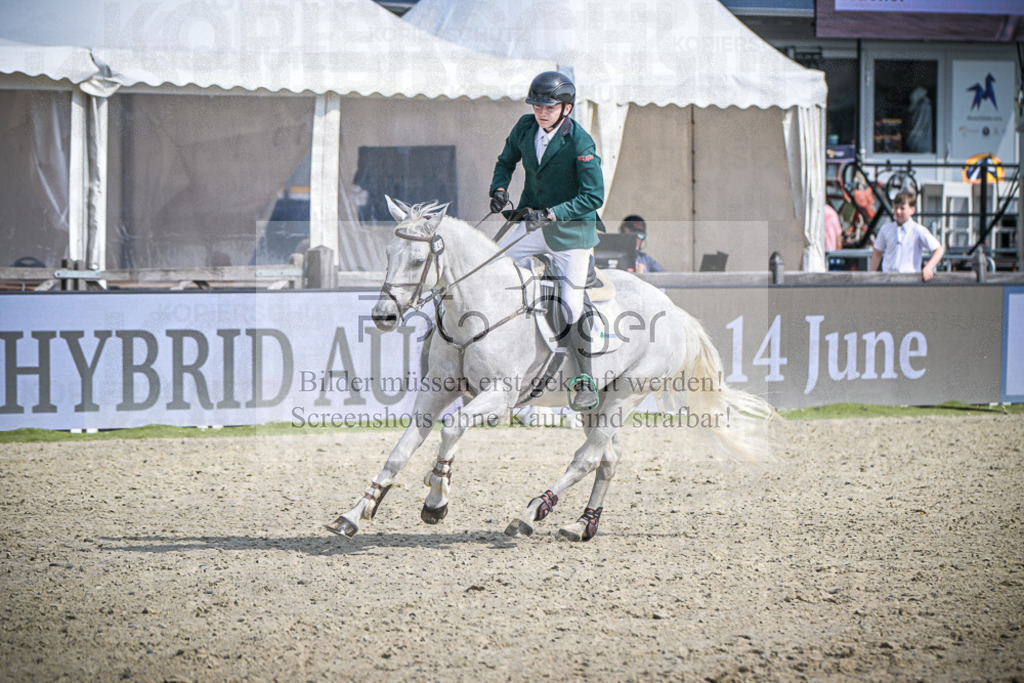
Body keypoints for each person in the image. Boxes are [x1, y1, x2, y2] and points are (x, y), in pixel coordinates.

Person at [489, 70, 605, 411]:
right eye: (537, 105)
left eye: (549, 106)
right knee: (495, 266)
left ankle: (584, 378)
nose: (541, 111)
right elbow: (506, 161)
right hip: (532, 221)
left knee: (570, 303)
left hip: (571, 233)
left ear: (566, 108)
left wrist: (554, 214)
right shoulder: (525, 127)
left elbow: (593, 196)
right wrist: (499, 188)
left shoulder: (580, 142)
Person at [869, 190, 945, 281]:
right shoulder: (886, 229)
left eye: (902, 208)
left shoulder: (918, 230)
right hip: (888, 279)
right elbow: (877, 252)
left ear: (912, 210)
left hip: (910, 279)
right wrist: (871, 276)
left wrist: (929, 267)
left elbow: (939, 249)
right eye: (895, 208)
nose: (898, 211)